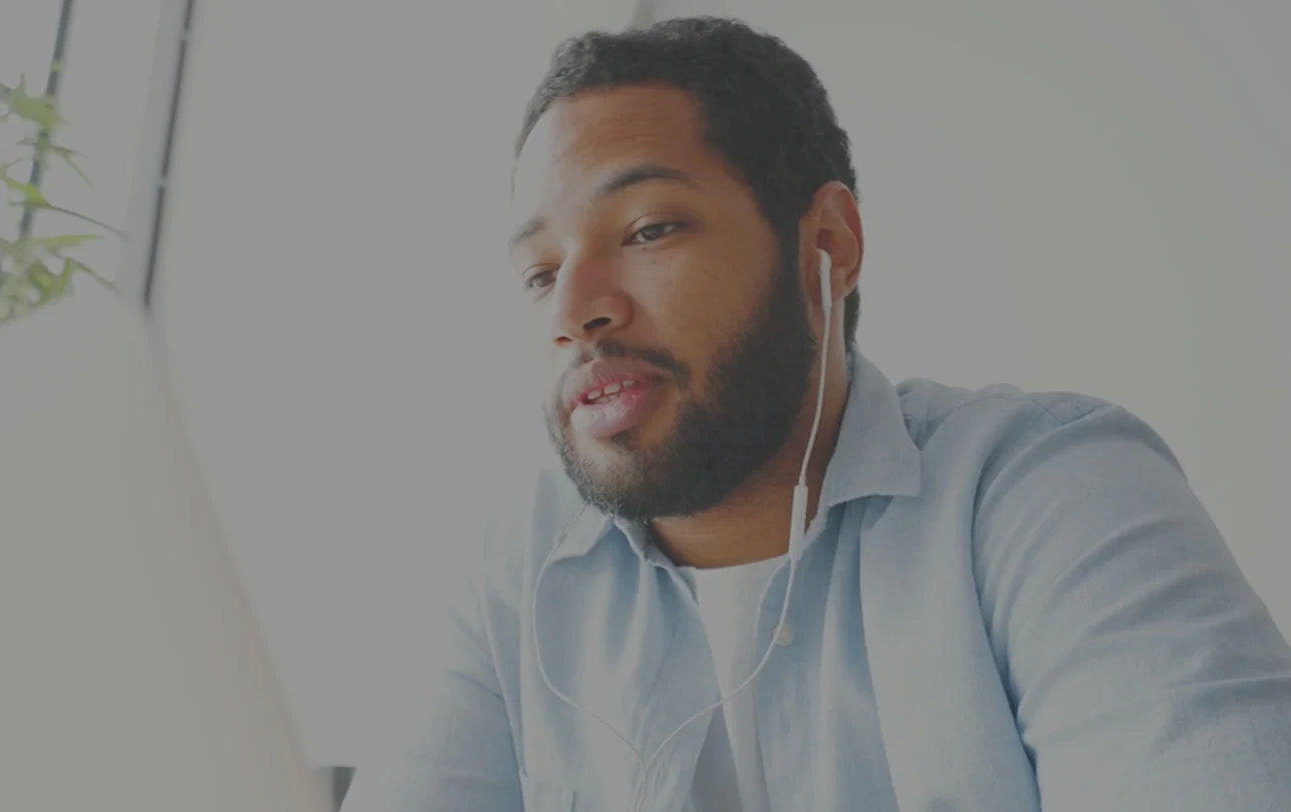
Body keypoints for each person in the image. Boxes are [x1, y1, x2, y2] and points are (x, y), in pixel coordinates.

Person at [343, 16, 1291, 812]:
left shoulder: (1045, 490)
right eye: (537, 274)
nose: (573, 310)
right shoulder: (515, 574)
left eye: (647, 230)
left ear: (828, 242)